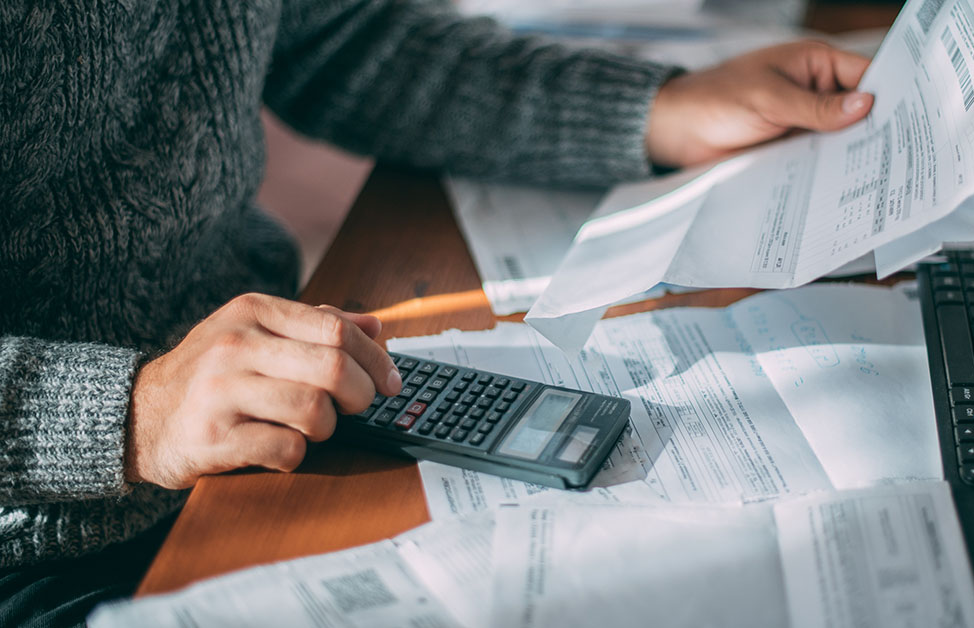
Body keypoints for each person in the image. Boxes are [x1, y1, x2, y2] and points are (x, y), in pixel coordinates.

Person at [0, 0, 873, 625]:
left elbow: (335, 34)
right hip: (47, 541)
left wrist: (652, 108)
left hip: (270, 411)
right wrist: (133, 413)